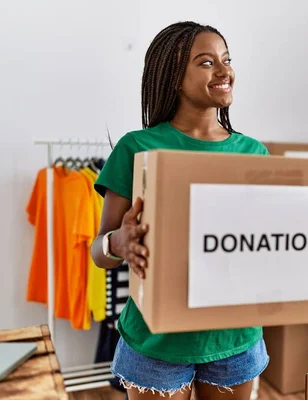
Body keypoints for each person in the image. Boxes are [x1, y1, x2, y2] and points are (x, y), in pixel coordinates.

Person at [91, 21, 270, 400]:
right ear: (174, 75)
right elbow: (99, 253)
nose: (225, 71)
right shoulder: (136, 147)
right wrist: (118, 243)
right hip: (158, 343)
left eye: (226, 59)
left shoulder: (254, 153)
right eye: (207, 62)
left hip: (235, 337)